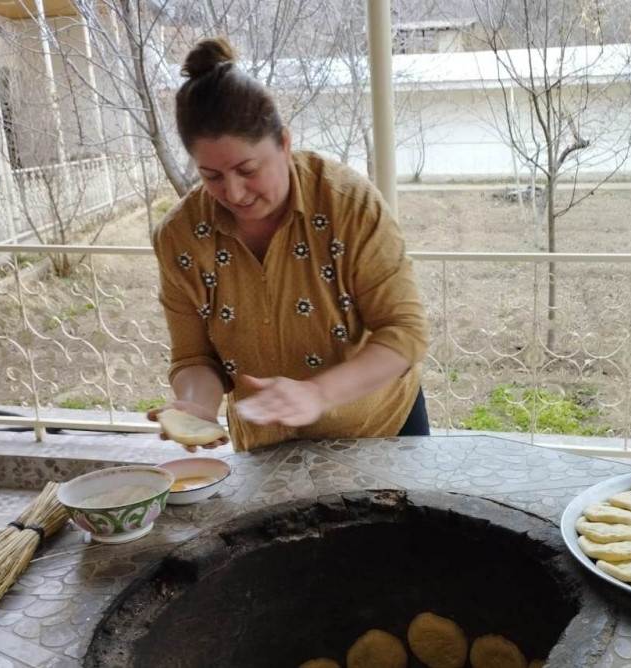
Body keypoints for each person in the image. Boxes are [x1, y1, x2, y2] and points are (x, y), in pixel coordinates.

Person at [147, 37, 429, 452]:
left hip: (378, 430)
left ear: (284, 142)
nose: (235, 192)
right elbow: (193, 358)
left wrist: (318, 394)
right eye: (212, 176)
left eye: (248, 169)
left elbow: (405, 333)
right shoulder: (181, 236)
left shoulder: (348, 205)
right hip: (266, 444)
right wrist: (196, 406)